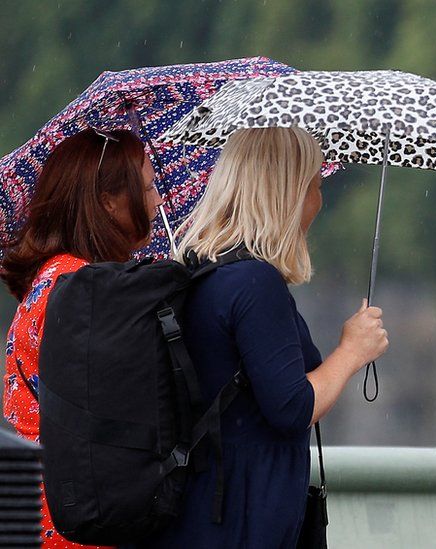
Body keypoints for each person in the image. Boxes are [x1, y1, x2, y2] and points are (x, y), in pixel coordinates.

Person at [145, 127, 388, 548]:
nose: (319, 201)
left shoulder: (203, 268)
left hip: (198, 510)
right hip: (239, 517)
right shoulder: (255, 283)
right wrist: (352, 351)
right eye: (314, 185)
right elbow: (292, 407)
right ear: (287, 194)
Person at [2, 128, 163, 548]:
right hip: (78, 521)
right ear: (109, 202)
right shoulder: (80, 288)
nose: (158, 201)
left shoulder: (55, 276)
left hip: (39, 510)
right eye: (147, 188)